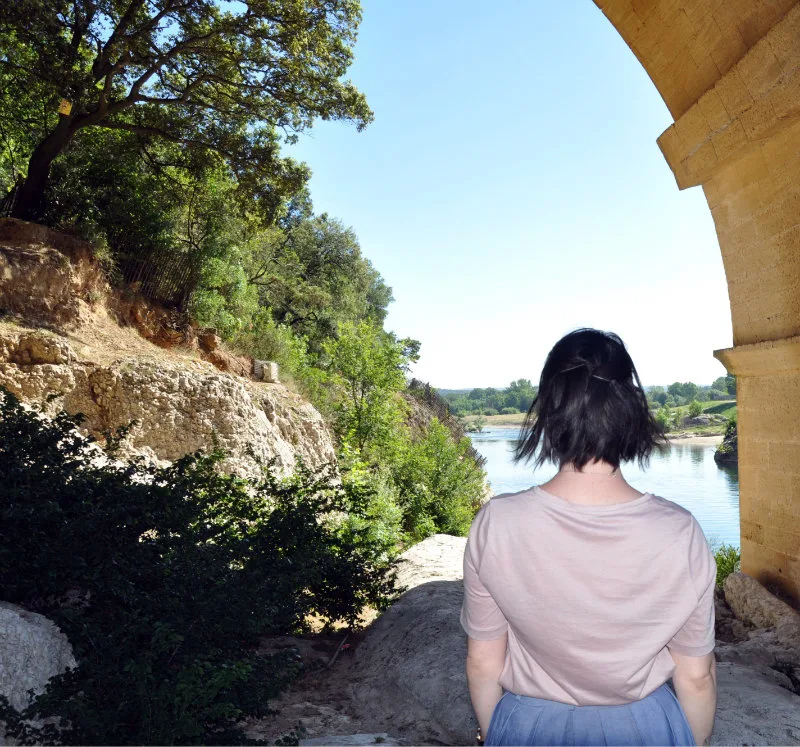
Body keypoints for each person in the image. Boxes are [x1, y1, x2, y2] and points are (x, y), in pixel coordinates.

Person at [461, 328, 717, 746]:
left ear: (548, 412)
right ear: (631, 411)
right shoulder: (679, 531)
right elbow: (696, 676)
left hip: (530, 726)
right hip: (645, 727)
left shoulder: (497, 523)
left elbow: (483, 662)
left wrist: (498, 735)